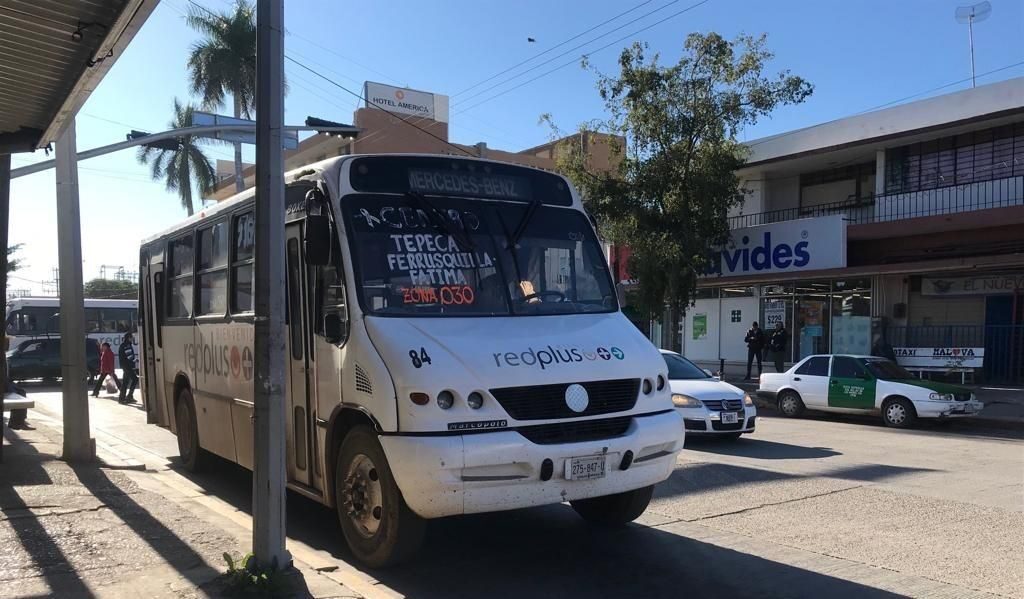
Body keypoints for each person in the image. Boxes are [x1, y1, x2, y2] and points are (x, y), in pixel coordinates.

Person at [118, 333, 138, 404]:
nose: (132, 339)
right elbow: (129, 357)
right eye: (132, 337)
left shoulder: (124, 345)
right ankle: (129, 396)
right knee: (135, 379)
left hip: (125, 366)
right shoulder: (127, 345)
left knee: (125, 382)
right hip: (127, 366)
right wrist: (136, 360)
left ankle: (122, 398)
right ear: (129, 338)